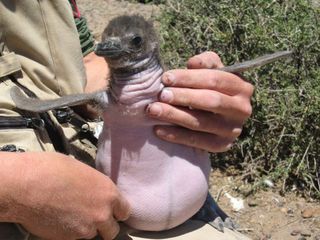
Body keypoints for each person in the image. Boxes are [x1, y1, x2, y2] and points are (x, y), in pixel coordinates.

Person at [0, 1, 253, 240]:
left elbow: (84, 63)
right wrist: (16, 187)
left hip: (95, 183)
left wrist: (205, 95)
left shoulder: (154, 84)